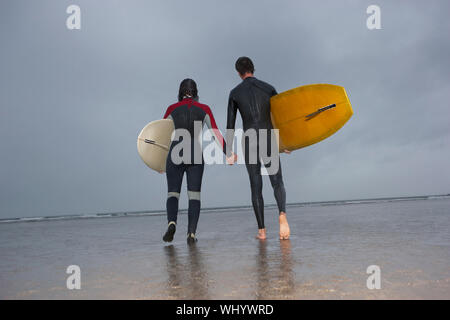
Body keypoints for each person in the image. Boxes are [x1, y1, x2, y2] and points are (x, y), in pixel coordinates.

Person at [225, 57, 290, 240]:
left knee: (255, 186)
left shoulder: (234, 93)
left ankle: (262, 232)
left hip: (249, 139)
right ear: (253, 68)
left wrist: (229, 151)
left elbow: (230, 124)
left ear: (238, 73)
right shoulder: (268, 88)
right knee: (277, 181)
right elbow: (280, 116)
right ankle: (282, 214)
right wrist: (285, 142)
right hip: (268, 136)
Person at [162, 79, 228, 244]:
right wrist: (228, 153)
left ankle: (172, 223)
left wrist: (158, 162)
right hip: (195, 154)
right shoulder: (204, 109)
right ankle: (191, 233)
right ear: (195, 92)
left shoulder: (172, 109)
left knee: (173, 193)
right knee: (194, 196)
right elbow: (215, 133)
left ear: (180, 92)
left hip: (175, 153)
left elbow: (160, 134)